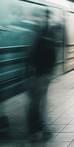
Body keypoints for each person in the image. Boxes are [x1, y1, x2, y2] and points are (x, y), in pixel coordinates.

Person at [27, 8, 57, 140]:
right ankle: (34, 128)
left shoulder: (44, 32)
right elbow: (36, 53)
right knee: (36, 101)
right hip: (38, 72)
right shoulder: (38, 33)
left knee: (40, 100)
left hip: (43, 72)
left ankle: (39, 125)